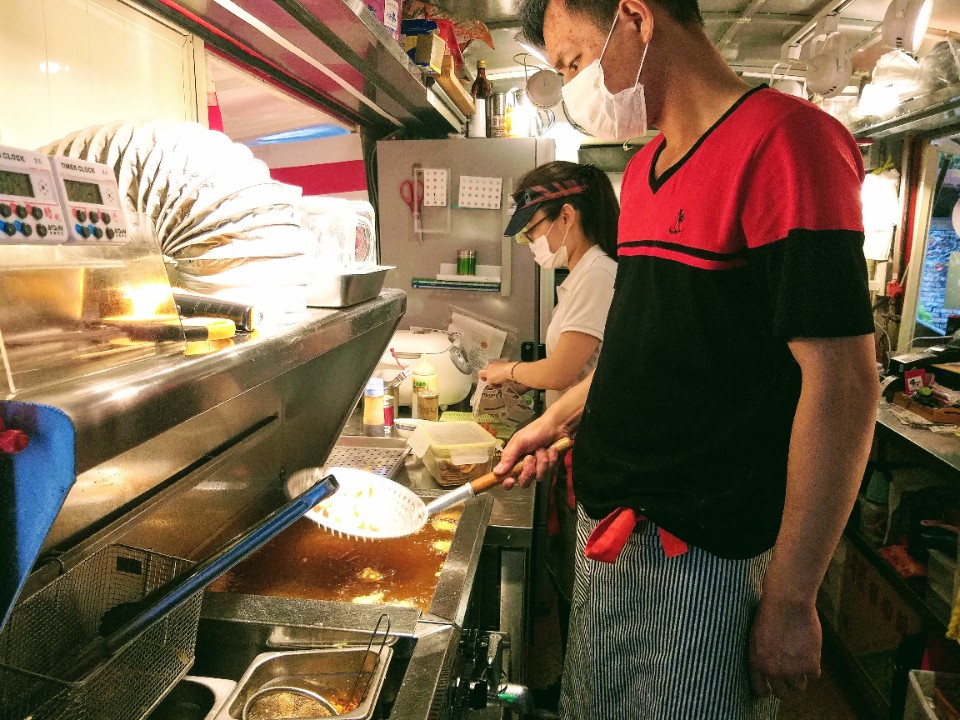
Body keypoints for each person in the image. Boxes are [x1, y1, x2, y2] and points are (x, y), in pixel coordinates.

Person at [494, 1, 880, 719]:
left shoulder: (789, 143)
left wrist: (793, 597)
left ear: (635, 18)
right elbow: (647, 344)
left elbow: (845, 385)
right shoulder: (643, 172)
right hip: (609, 529)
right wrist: (555, 419)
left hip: (703, 550)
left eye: (575, 62)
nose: (576, 89)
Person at [478, 161, 619, 644]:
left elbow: (563, 370)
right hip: (567, 442)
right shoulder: (581, 273)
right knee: (567, 574)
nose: (529, 244)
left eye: (532, 230)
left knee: (577, 579)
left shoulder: (598, 272)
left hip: (584, 446)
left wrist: (509, 371)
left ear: (568, 216)